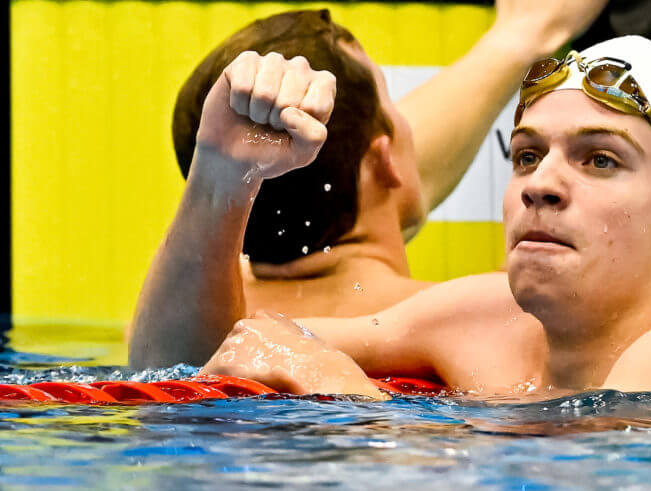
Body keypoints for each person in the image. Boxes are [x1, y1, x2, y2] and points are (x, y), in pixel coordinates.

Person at [132, 0, 651, 373]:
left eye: (600, 159)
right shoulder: (475, 318)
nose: (543, 185)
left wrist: (363, 414)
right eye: (526, 156)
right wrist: (220, 175)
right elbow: (183, 374)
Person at [129, 1, 610, 368]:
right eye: (394, 104)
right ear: (386, 162)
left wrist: (517, 39)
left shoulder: (161, 330)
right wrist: (527, 32)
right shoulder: (486, 325)